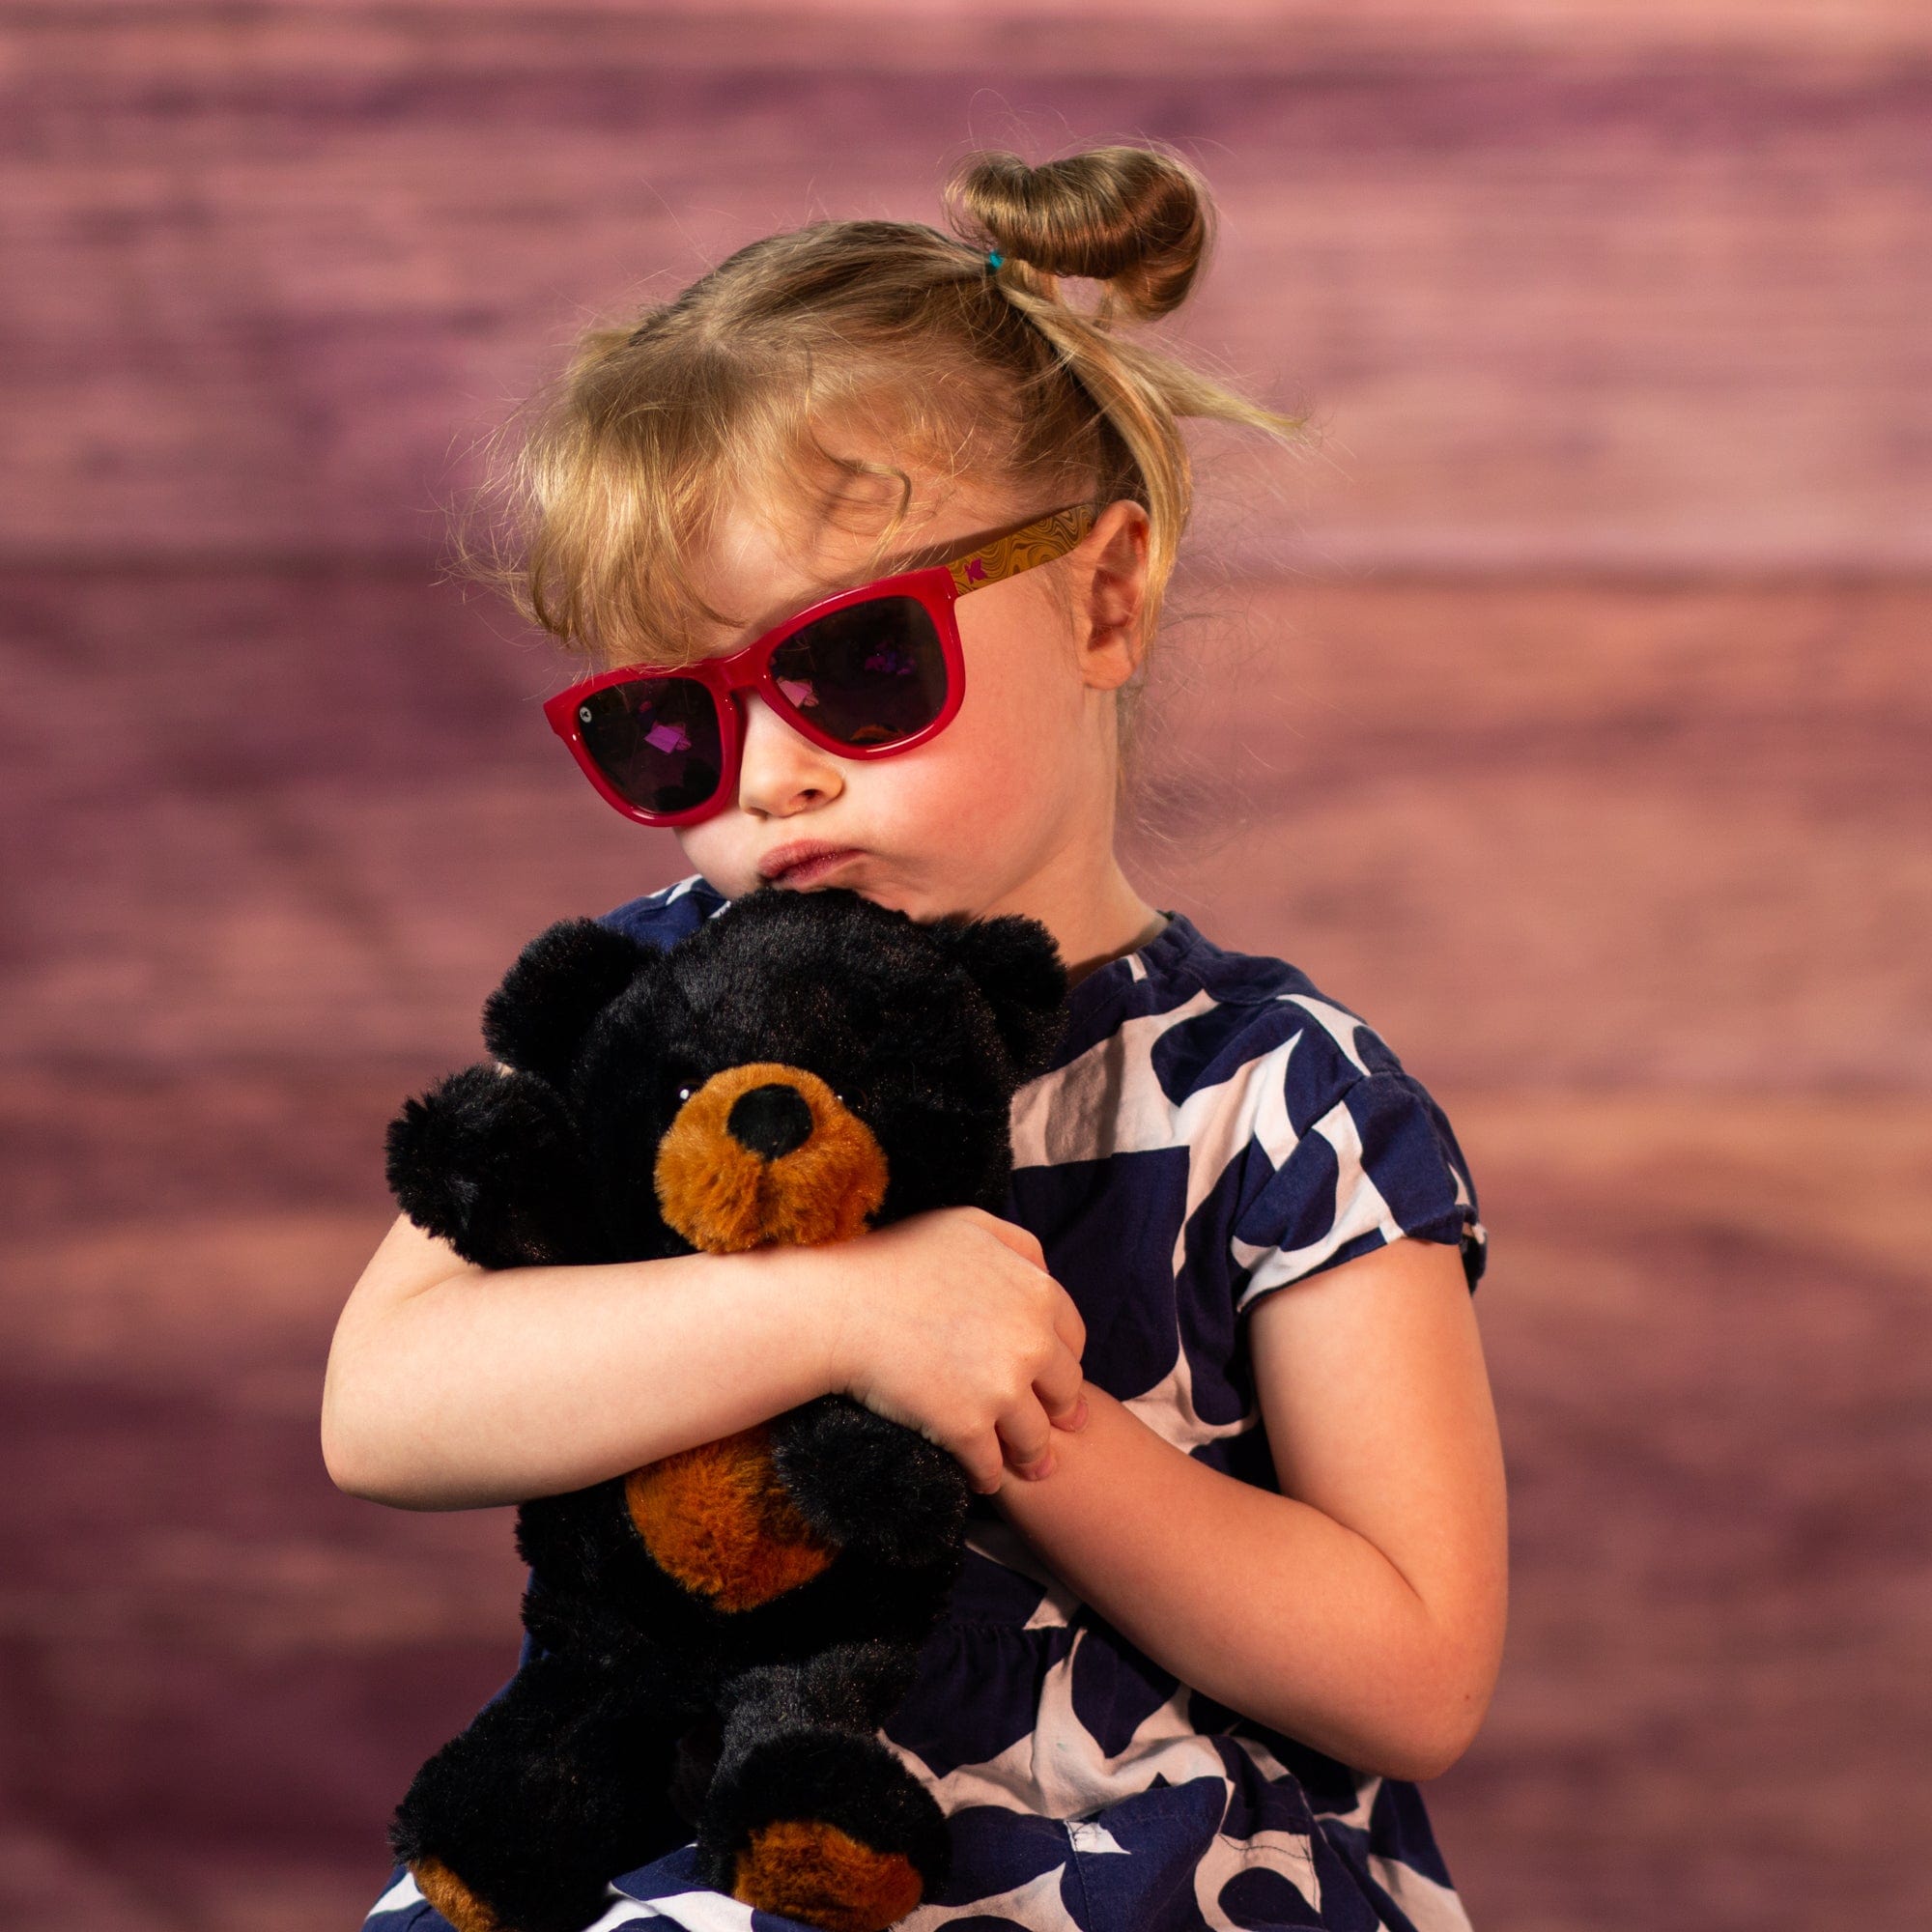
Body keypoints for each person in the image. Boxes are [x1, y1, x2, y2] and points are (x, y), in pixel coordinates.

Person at [325, 142, 1507, 1932]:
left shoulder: (1278, 1091)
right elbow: (384, 1405)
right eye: (669, 730)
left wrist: (1027, 1421)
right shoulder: (651, 1018)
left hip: (1148, 1869)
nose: (771, 777)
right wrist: (835, 1311)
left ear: (1104, 600)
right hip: (703, 1836)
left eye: (857, 666)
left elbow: (1412, 1669)